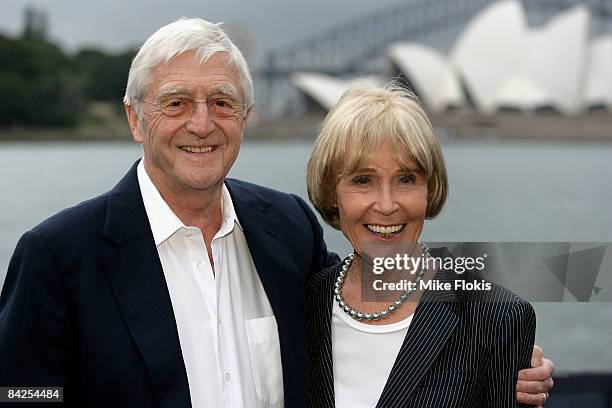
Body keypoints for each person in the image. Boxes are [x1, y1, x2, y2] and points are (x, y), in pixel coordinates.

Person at [0, 18, 553, 408]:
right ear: (135, 118)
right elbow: (22, 393)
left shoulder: (285, 227)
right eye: (175, 103)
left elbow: (377, 269)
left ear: (246, 115)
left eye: (221, 102)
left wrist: (505, 328)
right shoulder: (57, 255)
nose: (201, 123)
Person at [305, 83, 549, 407]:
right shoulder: (303, 303)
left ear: (430, 188)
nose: (387, 204)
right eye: (362, 180)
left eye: (406, 179)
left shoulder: (496, 317)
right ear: (331, 192)